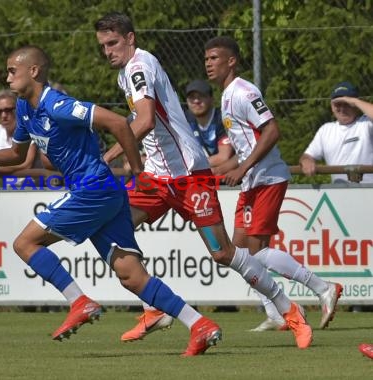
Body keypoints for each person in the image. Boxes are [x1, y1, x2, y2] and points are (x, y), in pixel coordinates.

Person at [0, 45, 222, 357]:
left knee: (25, 243)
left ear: (33, 71)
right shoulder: (24, 108)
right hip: (103, 193)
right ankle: (199, 324)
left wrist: (137, 171)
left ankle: (79, 302)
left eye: (11, 71)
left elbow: (118, 123)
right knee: (131, 277)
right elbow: (17, 154)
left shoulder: (57, 104)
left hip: (93, 187)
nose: (7, 78)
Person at [95, 12, 311, 350]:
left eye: (113, 43)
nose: (108, 51)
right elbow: (139, 120)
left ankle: (290, 310)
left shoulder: (139, 66)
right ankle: (154, 307)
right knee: (113, 229)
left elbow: (147, 120)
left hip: (188, 177)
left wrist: (105, 158)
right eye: (103, 46)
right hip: (155, 178)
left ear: (131, 39)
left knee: (223, 253)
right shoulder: (127, 73)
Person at [204, 35, 342, 331]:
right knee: (236, 252)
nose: (208, 64)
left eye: (214, 58)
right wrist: (232, 170)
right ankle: (277, 312)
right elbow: (243, 145)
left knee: (255, 252)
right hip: (252, 181)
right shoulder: (226, 97)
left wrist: (243, 167)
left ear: (232, 61)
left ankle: (321, 288)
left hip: (266, 178)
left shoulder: (243, 91)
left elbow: (272, 131)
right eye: (206, 59)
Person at [299, 81, 373, 184]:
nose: (342, 109)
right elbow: (307, 155)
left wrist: (356, 102)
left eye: (346, 104)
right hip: (339, 193)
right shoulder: (326, 130)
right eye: (338, 104)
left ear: (354, 104)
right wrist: (306, 160)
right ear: (332, 107)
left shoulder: (366, 123)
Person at [0, 89, 43, 187]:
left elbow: (26, 164)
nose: (4, 115)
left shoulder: (29, 128)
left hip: (36, 189)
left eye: (8, 110)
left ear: (18, 109)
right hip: (10, 190)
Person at [184, 79, 234, 174]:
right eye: (192, 97)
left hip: (229, 178)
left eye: (201, 96)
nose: (196, 101)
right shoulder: (185, 120)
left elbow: (224, 157)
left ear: (211, 99)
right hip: (203, 173)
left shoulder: (222, 118)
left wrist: (189, 165)